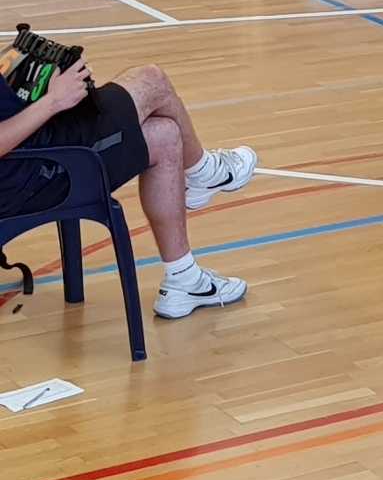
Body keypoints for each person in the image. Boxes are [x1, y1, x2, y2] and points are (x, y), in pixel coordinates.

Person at [1, 58, 254, 320]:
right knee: (152, 80)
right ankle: (206, 171)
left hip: (24, 160)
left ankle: (184, 278)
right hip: (31, 176)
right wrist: (53, 101)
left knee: (164, 136)